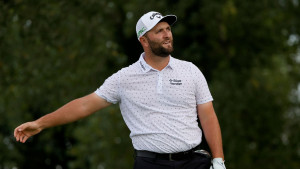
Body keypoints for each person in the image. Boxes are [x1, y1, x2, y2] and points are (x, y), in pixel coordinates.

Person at [14, 11, 226, 169]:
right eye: (159, 31)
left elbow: (207, 116)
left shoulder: (190, 70)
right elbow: (85, 105)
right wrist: (40, 124)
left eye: (168, 29)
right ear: (144, 40)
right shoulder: (124, 78)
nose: (167, 35)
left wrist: (218, 160)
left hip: (195, 162)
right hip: (150, 164)